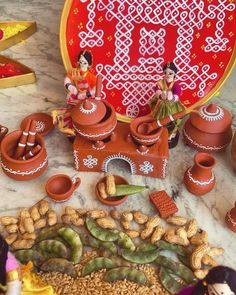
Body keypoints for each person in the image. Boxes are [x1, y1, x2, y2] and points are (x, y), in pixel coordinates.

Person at [52, 50, 97, 136]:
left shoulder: (91, 77)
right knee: (75, 112)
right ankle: (68, 125)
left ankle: (59, 115)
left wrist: (86, 94)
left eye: (84, 63)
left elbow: (97, 88)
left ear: (89, 64)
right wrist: (70, 86)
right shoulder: (75, 72)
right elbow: (67, 79)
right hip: (76, 95)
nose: (82, 64)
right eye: (80, 62)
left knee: (82, 113)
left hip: (87, 97)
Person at [149, 61, 185, 148]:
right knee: (159, 118)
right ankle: (159, 132)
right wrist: (161, 95)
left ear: (175, 73)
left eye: (170, 73)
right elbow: (156, 90)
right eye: (165, 72)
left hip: (172, 105)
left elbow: (177, 93)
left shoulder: (175, 85)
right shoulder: (160, 82)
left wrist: (171, 98)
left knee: (172, 120)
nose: (168, 75)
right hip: (161, 105)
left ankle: (170, 135)